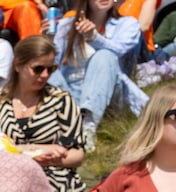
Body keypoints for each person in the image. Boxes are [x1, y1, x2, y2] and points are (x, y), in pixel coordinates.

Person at [0, 36, 87, 192]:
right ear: (18, 65)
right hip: (6, 177)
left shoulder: (60, 100)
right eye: (38, 69)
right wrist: (34, 150)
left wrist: (48, 159)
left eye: (50, 69)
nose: (45, 75)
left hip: (54, 177)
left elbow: (77, 154)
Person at [51, 0, 148, 152]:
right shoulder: (67, 25)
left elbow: (118, 50)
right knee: (48, 70)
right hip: (71, 92)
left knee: (104, 56)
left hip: (109, 93)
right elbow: (54, 61)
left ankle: (87, 127)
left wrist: (93, 37)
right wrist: (47, 39)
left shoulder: (127, 24)